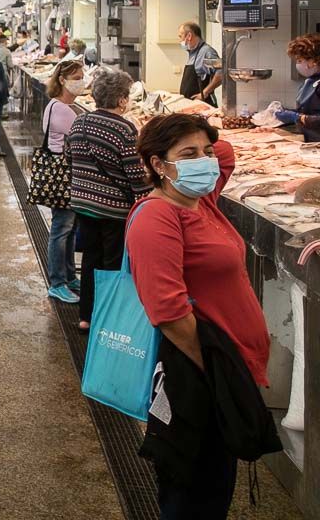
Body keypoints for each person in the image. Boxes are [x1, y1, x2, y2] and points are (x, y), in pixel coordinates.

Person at [128, 113, 271, 518]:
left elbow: (224, 154)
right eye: (188, 154)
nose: (205, 161)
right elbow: (168, 311)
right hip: (199, 377)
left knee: (214, 488)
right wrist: (217, 374)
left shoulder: (199, 200)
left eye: (204, 152)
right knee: (194, 495)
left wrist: (201, 139)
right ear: (158, 164)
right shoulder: (157, 217)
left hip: (225, 368)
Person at [66, 68, 150, 331]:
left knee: (90, 259)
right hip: (114, 210)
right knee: (113, 264)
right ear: (122, 100)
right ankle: (108, 319)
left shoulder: (80, 121)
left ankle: (86, 316)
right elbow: (135, 174)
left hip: (83, 204)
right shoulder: (124, 128)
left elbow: (69, 157)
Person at [43, 60, 86, 304]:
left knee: (68, 229)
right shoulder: (62, 109)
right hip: (64, 175)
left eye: (81, 76)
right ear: (62, 80)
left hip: (62, 173)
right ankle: (57, 282)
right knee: (61, 229)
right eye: (76, 77)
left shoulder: (58, 105)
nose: (80, 81)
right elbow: (81, 137)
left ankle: (69, 275)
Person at [275, 33, 320, 141]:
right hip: (310, 141)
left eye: (300, 61)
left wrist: (298, 117)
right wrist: (288, 113)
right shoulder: (310, 81)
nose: (298, 65)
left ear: (314, 61)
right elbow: (308, 110)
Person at [177, 22, 221, 106]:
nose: (180, 40)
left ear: (189, 36)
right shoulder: (192, 53)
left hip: (204, 105)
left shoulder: (207, 52)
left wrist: (204, 92)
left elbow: (221, 73)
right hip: (192, 105)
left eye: (180, 36)